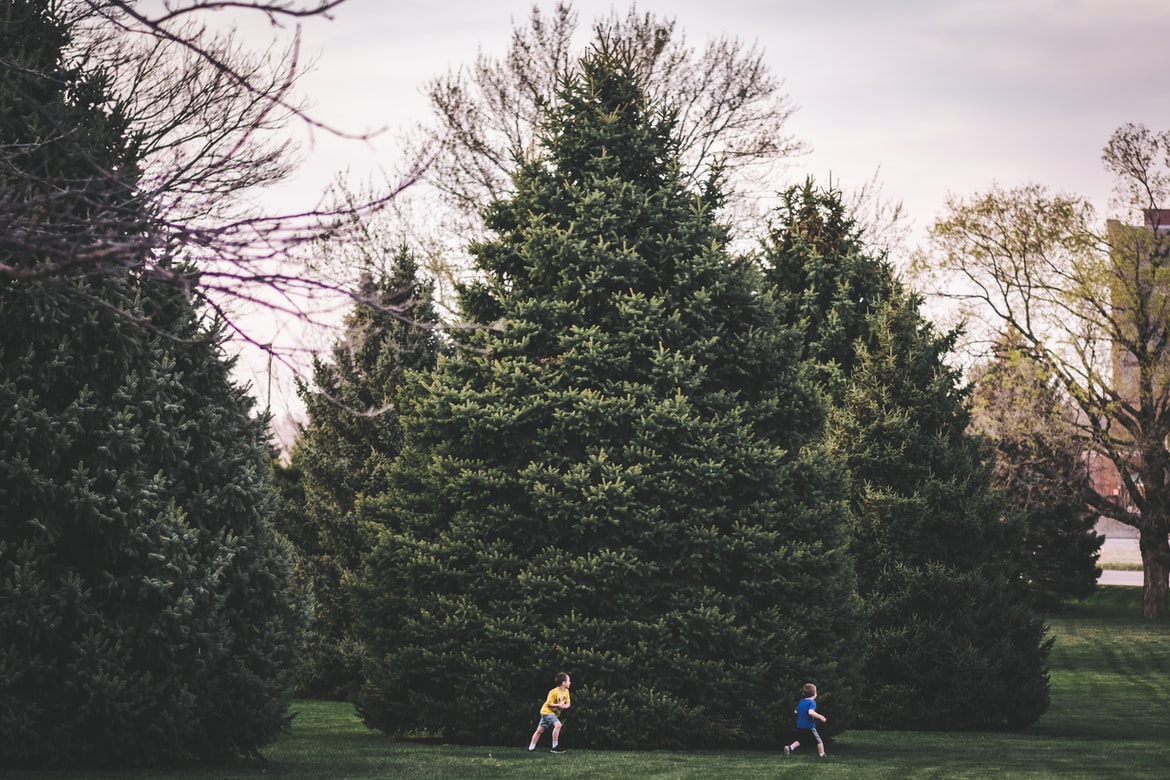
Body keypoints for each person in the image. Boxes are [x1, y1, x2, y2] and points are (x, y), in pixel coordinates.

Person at [528, 672, 571, 753]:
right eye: (569, 681)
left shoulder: (566, 692)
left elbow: (568, 703)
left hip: (552, 714)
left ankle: (531, 747)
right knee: (558, 725)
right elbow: (549, 703)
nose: (570, 682)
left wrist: (565, 706)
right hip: (546, 712)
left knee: (540, 730)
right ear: (563, 683)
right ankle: (555, 747)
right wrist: (559, 705)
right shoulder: (553, 692)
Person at [783, 682, 827, 758]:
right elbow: (810, 712)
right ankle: (822, 754)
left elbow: (795, 711)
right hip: (809, 725)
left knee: (800, 740)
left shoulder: (801, 702)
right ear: (815, 693)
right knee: (819, 740)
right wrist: (820, 717)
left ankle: (790, 747)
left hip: (800, 725)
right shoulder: (812, 702)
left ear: (803, 694)